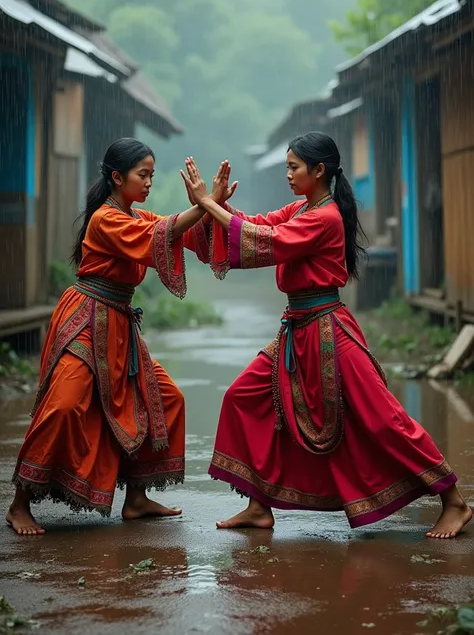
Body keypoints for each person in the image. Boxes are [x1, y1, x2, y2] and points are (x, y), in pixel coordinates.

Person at [180, 133, 472, 539]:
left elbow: (272, 241)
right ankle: (258, 505)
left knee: (385, 420)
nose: (287, 174)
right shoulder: (303, 207)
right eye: (286, 166)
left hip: (330, 332)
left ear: (319, 171)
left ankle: (454, 501)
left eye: (293, 167)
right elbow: (260, 226)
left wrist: (209, 205)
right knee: (242, 397)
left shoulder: (326, 216)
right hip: (296, 329)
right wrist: (217, 206)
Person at [7, 138, 232, 535]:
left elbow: (172, 231)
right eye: (142, 175)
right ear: (116, 177)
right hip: (84, 320)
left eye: (152, 175)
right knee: (63, 406)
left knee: (165, 400)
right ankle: (20, 502)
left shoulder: (133, 215)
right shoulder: (105, 219)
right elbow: (161, 234)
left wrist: (211, 207)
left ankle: (137, 498)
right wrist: (203, 204)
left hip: (119, 325)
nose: (148, 183)